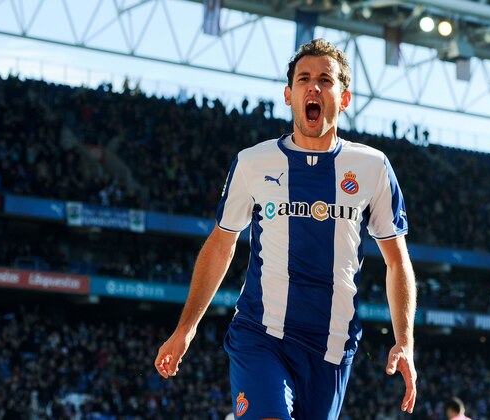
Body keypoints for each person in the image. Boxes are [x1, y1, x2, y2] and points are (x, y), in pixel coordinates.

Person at [155, 38, 417, 419]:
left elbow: (398, 262)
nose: (313, 87)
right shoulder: (252, 163)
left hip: (331, 348)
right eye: (304, 79)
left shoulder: (373, 167)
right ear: (288, 94)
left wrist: (404, 341)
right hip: (261, 336)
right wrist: (185, 329)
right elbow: (221, 245)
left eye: (325, 80)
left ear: (343, 98)